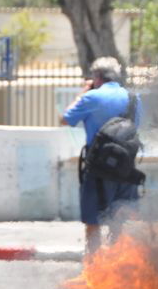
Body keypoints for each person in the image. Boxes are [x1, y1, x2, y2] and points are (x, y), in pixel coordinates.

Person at [60, 56, 143, 256]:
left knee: (93, 222)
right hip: (126, 167)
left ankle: (94, 264)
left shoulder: (91, 98)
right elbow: (137, 126)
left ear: (96, 76)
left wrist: (84, 92)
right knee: (121, 219)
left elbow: (65, 119)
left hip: (97, 169)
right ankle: (117, 264)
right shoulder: (133, 99)